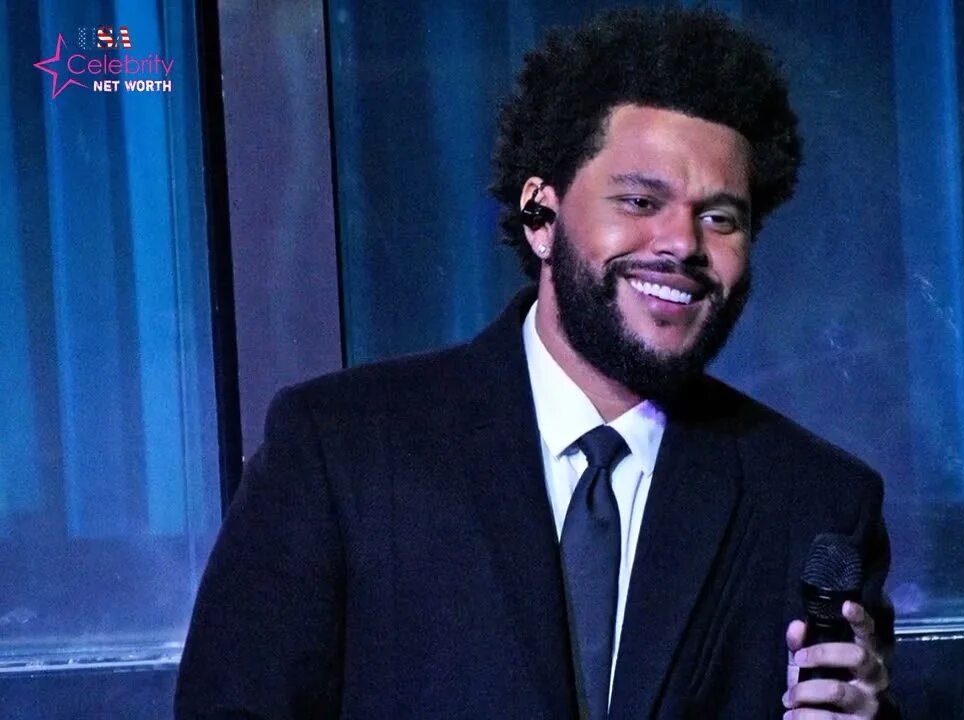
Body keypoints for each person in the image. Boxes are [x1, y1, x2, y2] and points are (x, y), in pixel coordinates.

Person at [176, 7, 897, 719]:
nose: (683, 242)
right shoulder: (342, 450)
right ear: (540, 215)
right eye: (640, 200)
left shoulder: (816, 503)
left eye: (720, 218)